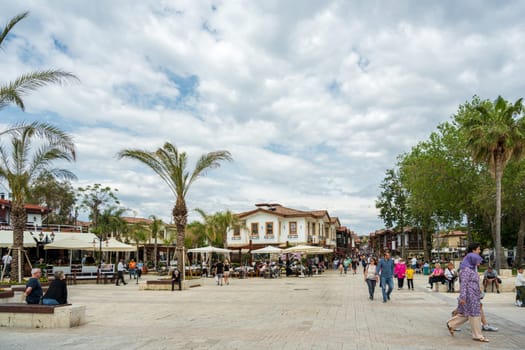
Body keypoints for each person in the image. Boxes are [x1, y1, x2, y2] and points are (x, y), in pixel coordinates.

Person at [446, 242, 489, 342]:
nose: (479, 262)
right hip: (470, 294)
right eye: (477, 260)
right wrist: (463, 297)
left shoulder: (471, 268)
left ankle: (451, 324)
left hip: (474, 293)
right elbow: (463, 284)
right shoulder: (466, 270)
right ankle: (477, 335)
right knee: (475, 314)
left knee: (467, 313)